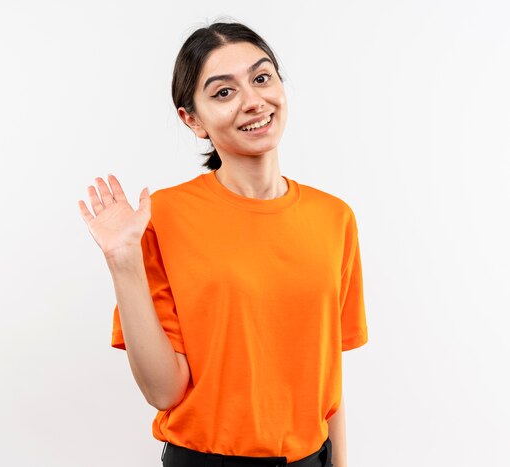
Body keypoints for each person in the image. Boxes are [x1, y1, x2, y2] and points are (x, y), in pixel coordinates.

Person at [78, 20, 368, 467]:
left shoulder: (334, 218)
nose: (253, 101)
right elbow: (163, 390)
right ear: (192, 120)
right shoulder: (160, 220)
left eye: (261, 77)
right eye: (223, 92)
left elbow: (327, 379)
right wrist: (123, 261)